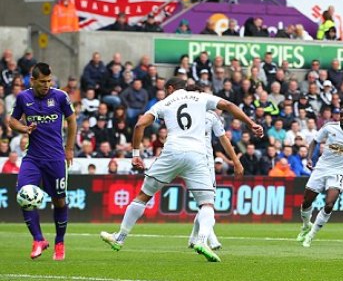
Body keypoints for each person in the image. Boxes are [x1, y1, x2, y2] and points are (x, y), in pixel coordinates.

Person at [100, 77, 263, 262]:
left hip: (172, 152)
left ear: (170, 88)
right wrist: (251, 123)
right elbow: (228, 104)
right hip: (197, 154)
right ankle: (202, 240)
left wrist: (136, 154)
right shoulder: (201, 97)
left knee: (143, 196)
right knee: (207, 204)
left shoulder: (165, 102)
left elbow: (139, 125)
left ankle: (120, 238)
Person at [9, 63, 77, 260]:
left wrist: (70, 149)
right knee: (23, 195)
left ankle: (59, 242)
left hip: (56, 158)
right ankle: (38, 239)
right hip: (33, 158)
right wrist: (24, 129)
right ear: (33, 81)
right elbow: (12, 121)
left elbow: (72, 121)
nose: (47, 85)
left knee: (59, 201)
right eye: (43, 82)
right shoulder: (23, 97)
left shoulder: (60, 96)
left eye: (49, 81)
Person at [296, 104, 343, 247]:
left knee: (329, 204)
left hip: (337, 172)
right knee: (306, 202)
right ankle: (305, 226)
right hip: (321, 168)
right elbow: (315, 141)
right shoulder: (329, 127)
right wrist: (309, 158)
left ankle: (311, 235)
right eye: (342, 115)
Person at [187, 107, 243, 251]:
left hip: (196, 160)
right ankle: (209, 240)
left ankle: (194, 238)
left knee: (204, 204)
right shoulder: (210, 116)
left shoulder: (194, 114)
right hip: (201, 161)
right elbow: (223, 138)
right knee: (207, 204)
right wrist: (236, 161)